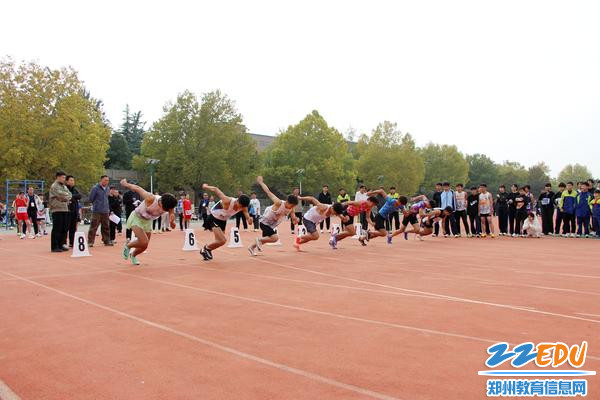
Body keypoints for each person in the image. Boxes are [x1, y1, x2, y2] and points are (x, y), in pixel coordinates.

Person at [120, 179, 177, 265]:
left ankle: (133, 255)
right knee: (144, 241)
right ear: (161, 202)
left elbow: (173, 224)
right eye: (164, 208)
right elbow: (138, 188)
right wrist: (126, 184)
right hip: (137, 217)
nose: (164, 210)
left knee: (144, 246)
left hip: (147, 221)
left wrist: (172, 222)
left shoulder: (169, 206)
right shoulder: (151, 198)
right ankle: (128, 246)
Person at [248, 176, 299, 256]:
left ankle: (251, 247)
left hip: (271, 225)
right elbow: (268, 192)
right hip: (264, 222)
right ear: (287, 202)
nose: (292, 207)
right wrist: (261, 182)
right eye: (292, 205)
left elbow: (293, 218)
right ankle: (258, 240)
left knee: (265, 240)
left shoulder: (291, 208)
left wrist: (296, 220)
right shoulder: (279, 203)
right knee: (275, 238)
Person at [200, 184, 252, 261]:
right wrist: (206, 186)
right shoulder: (227, 200)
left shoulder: (244, 207)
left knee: (219, 241)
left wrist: (249, 220)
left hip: (223, 220)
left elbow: (248, 217)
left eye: (242, 207)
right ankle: (205, 249)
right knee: (222, 240)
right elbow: (216, 189)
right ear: (237, 200)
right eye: (240, 206)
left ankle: (208, 249)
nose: (240, 208)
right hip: (213, 217)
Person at [49, 171, 72, 252]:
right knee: (57, 228)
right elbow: (61, 195)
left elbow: (69, 195)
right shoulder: (54, 186)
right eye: (63, 177)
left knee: (64, 228)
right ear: (58, 177)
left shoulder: (64, 186)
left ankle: (61, 244)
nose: (64, 179)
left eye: (64, 178)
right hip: (57, 209)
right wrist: (65, 197)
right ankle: (55, 246)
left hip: (64, 208)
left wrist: (65, 197)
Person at [87, 175, 112, 246]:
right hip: (97, 211)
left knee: (106, 226)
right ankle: (90, 241)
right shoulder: (95, 188)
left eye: (107, 180)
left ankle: (106, 240)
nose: (106, 182)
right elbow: (91, 199)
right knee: (94, 226)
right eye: (105, 180)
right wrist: (97, 204)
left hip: (105, 210)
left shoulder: (107, 188)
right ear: (101, 180)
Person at [65, 175, 81, 247]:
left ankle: (72, 242)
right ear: (67, 181)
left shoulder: (75, 189)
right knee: (65, 228)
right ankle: (64, 242)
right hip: (67, 211)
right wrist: (73, 197)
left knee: (73, 228)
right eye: (71, 180)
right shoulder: (65, 189)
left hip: (74, 211)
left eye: (73, 180)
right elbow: (67, 197)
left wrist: (72, 197)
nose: (72, 182)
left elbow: (79, 196)